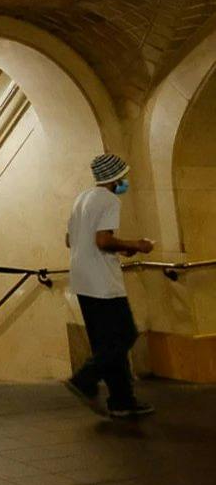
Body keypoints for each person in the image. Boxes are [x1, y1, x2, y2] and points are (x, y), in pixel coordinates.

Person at [62, 153, 155, 419]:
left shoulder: (82, 198)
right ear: (115, 178)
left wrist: (119, 249)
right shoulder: (109, 199)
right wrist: (136, 245)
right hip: (103, 283)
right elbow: (103, 240)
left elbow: (71, 239)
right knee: (125, 336)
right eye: (123, 176)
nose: (125, 181)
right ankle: (84, 378)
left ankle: (122, 400)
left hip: (81, 280)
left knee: (106, 342)